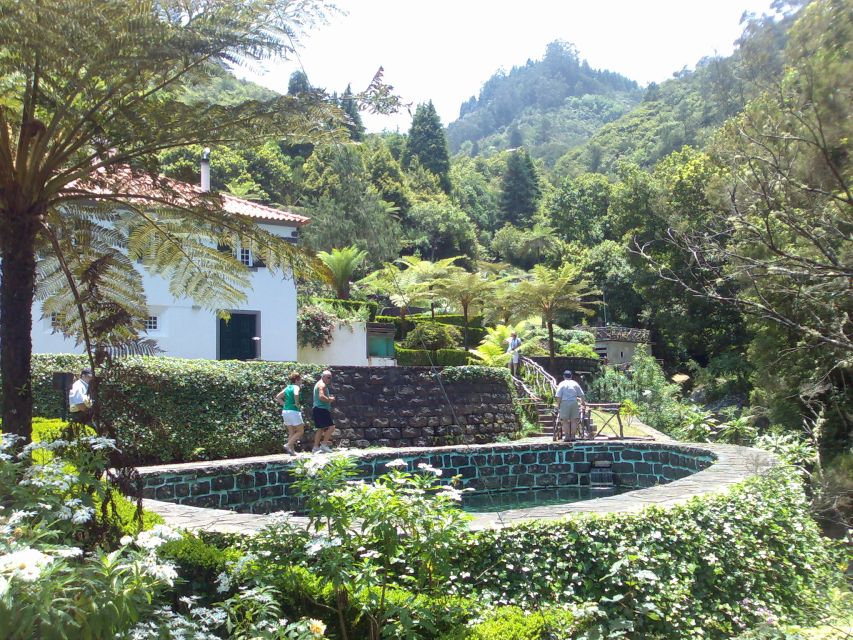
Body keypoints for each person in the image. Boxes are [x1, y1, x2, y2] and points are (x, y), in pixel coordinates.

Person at [275, 371, 304, 455]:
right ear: (297, 379)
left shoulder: (288, 387)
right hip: (293, 411)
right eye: (301, 379)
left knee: (291, 432)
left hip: (285, 411)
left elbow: (278, 397)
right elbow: (296, 393)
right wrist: (297, 403)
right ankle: (288, 445)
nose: (301, 381)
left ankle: (292, 452)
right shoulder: (296, 387)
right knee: (300, 431)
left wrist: (285, 404)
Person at [554, 370, 586, 442]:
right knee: (574, 420)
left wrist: (558, 405)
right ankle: (573, 436)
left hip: (564, 403)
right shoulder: (575, 383)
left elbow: (558, 396)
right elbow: (582, 395)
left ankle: (567, 437)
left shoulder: (561, 384)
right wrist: (583, 403)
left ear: (563, 376)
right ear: (571, 376)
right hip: (574, 402)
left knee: (565, 421)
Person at [311, 370, 336, 453]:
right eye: (328, 377)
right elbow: (321, 396)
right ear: (323, 377)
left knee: (320, 429)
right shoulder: (322, 384)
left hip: (317, 409)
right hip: (321, 409)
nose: (330, 379)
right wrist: (329, 399)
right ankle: (324, 445)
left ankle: (315, 448)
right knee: (332, 427)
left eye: (330, 378)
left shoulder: (319, 383)